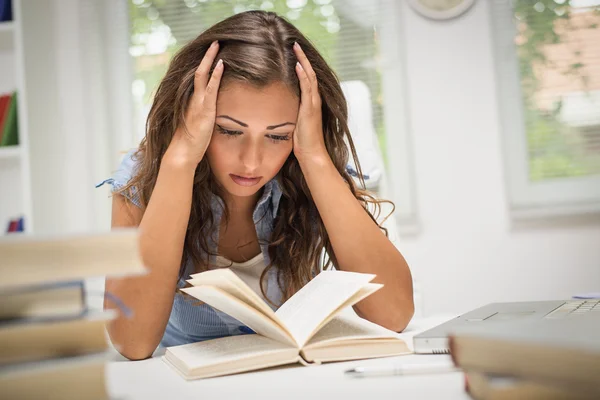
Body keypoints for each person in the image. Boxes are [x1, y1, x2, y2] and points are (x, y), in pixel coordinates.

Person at [99, 10, 414, 361]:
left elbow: (394, 315)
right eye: (229, 130)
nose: (251, 162)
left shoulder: (306, 173)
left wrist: (315, 158)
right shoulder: (143, 178)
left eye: (278, 135)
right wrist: (180, 159)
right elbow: (133, 343)